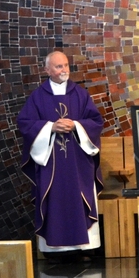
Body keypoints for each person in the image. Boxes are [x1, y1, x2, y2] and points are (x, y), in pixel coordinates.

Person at [18, 50, 104, 259]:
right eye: (58, 66)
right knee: (53, 198)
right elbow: (25, 124)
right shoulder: (38, 97)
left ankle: (86, 247)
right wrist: (50, 127)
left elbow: (96, 122)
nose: (64, 70)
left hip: (78, 162)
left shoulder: (80, 94)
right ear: (47, 70)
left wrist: (75, 125)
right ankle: (54, 250)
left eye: (66, 65)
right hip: (50, 162)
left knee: (81, 197)